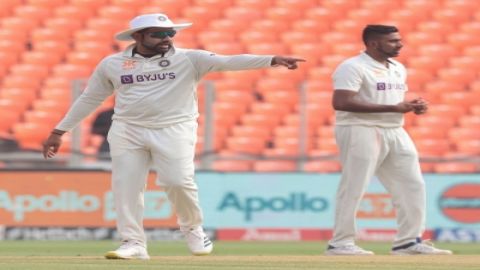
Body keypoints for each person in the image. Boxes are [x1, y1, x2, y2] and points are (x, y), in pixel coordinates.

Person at [42, 13, 305, 260]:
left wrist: (271, 59)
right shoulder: (113, 64)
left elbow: (229, 61)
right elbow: (90, 97)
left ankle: (193, 229)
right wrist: (59, 131)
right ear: (138, 37)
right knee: (126, 186)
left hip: (174, 128)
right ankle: (133, 243)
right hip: (127, 129)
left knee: (177, 181)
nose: (167, 38)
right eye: (158, 34)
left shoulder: (189, 58)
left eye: (170, 32)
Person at [325, 25, 452, 256]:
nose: (400, 44)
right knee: (354, 185)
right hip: (360, 129)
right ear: (373, 44)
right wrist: (394, 107)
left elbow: (392, 101)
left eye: (399, 40)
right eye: (393, 41)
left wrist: (412, 106)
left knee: (412, 184)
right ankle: (340, 243)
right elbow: (341, 103)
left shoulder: (398, 68)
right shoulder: (352, 67)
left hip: (395, 129)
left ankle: (408, 242)